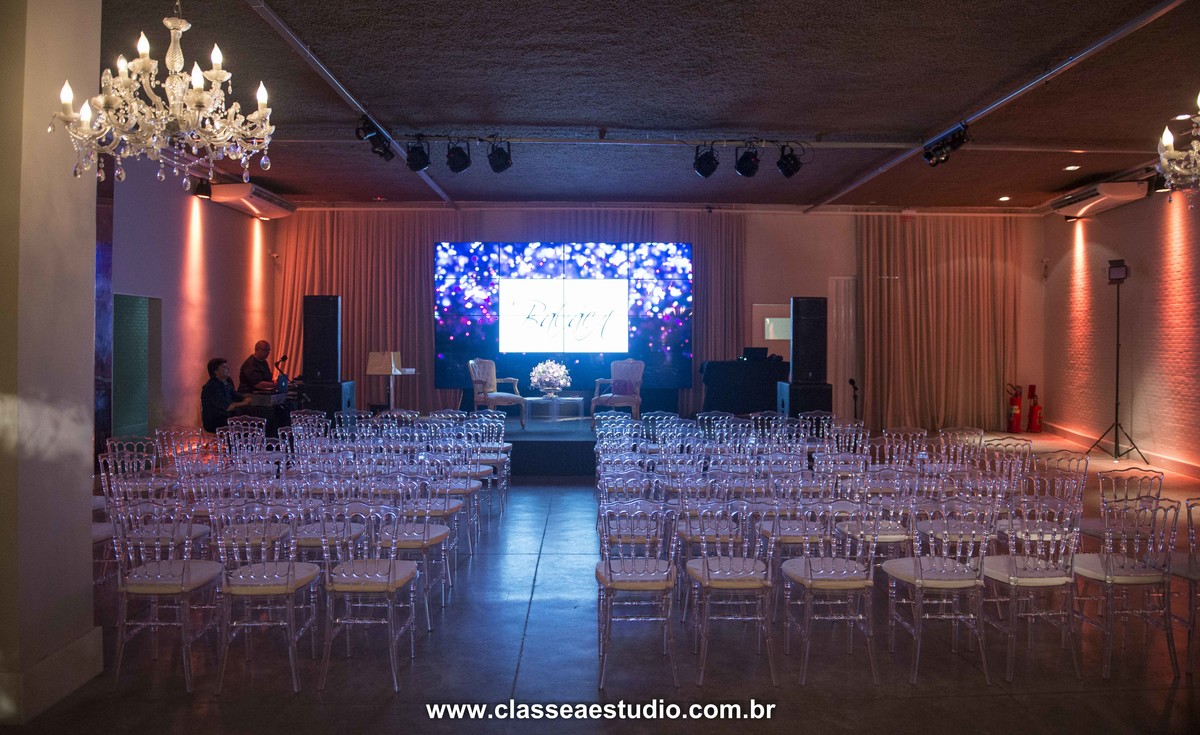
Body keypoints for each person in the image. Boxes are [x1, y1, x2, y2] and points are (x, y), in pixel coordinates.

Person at [201, 357, 251, 432]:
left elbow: (238, 397)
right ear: (215, 371)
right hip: (216, 420)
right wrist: (246, 402)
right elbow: (227, 407)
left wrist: (250, 398)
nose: (228, 369)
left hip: (228, 417)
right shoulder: (211, 387)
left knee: (252, 418)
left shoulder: (227, 382)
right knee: (245, 424)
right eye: (224, 367)